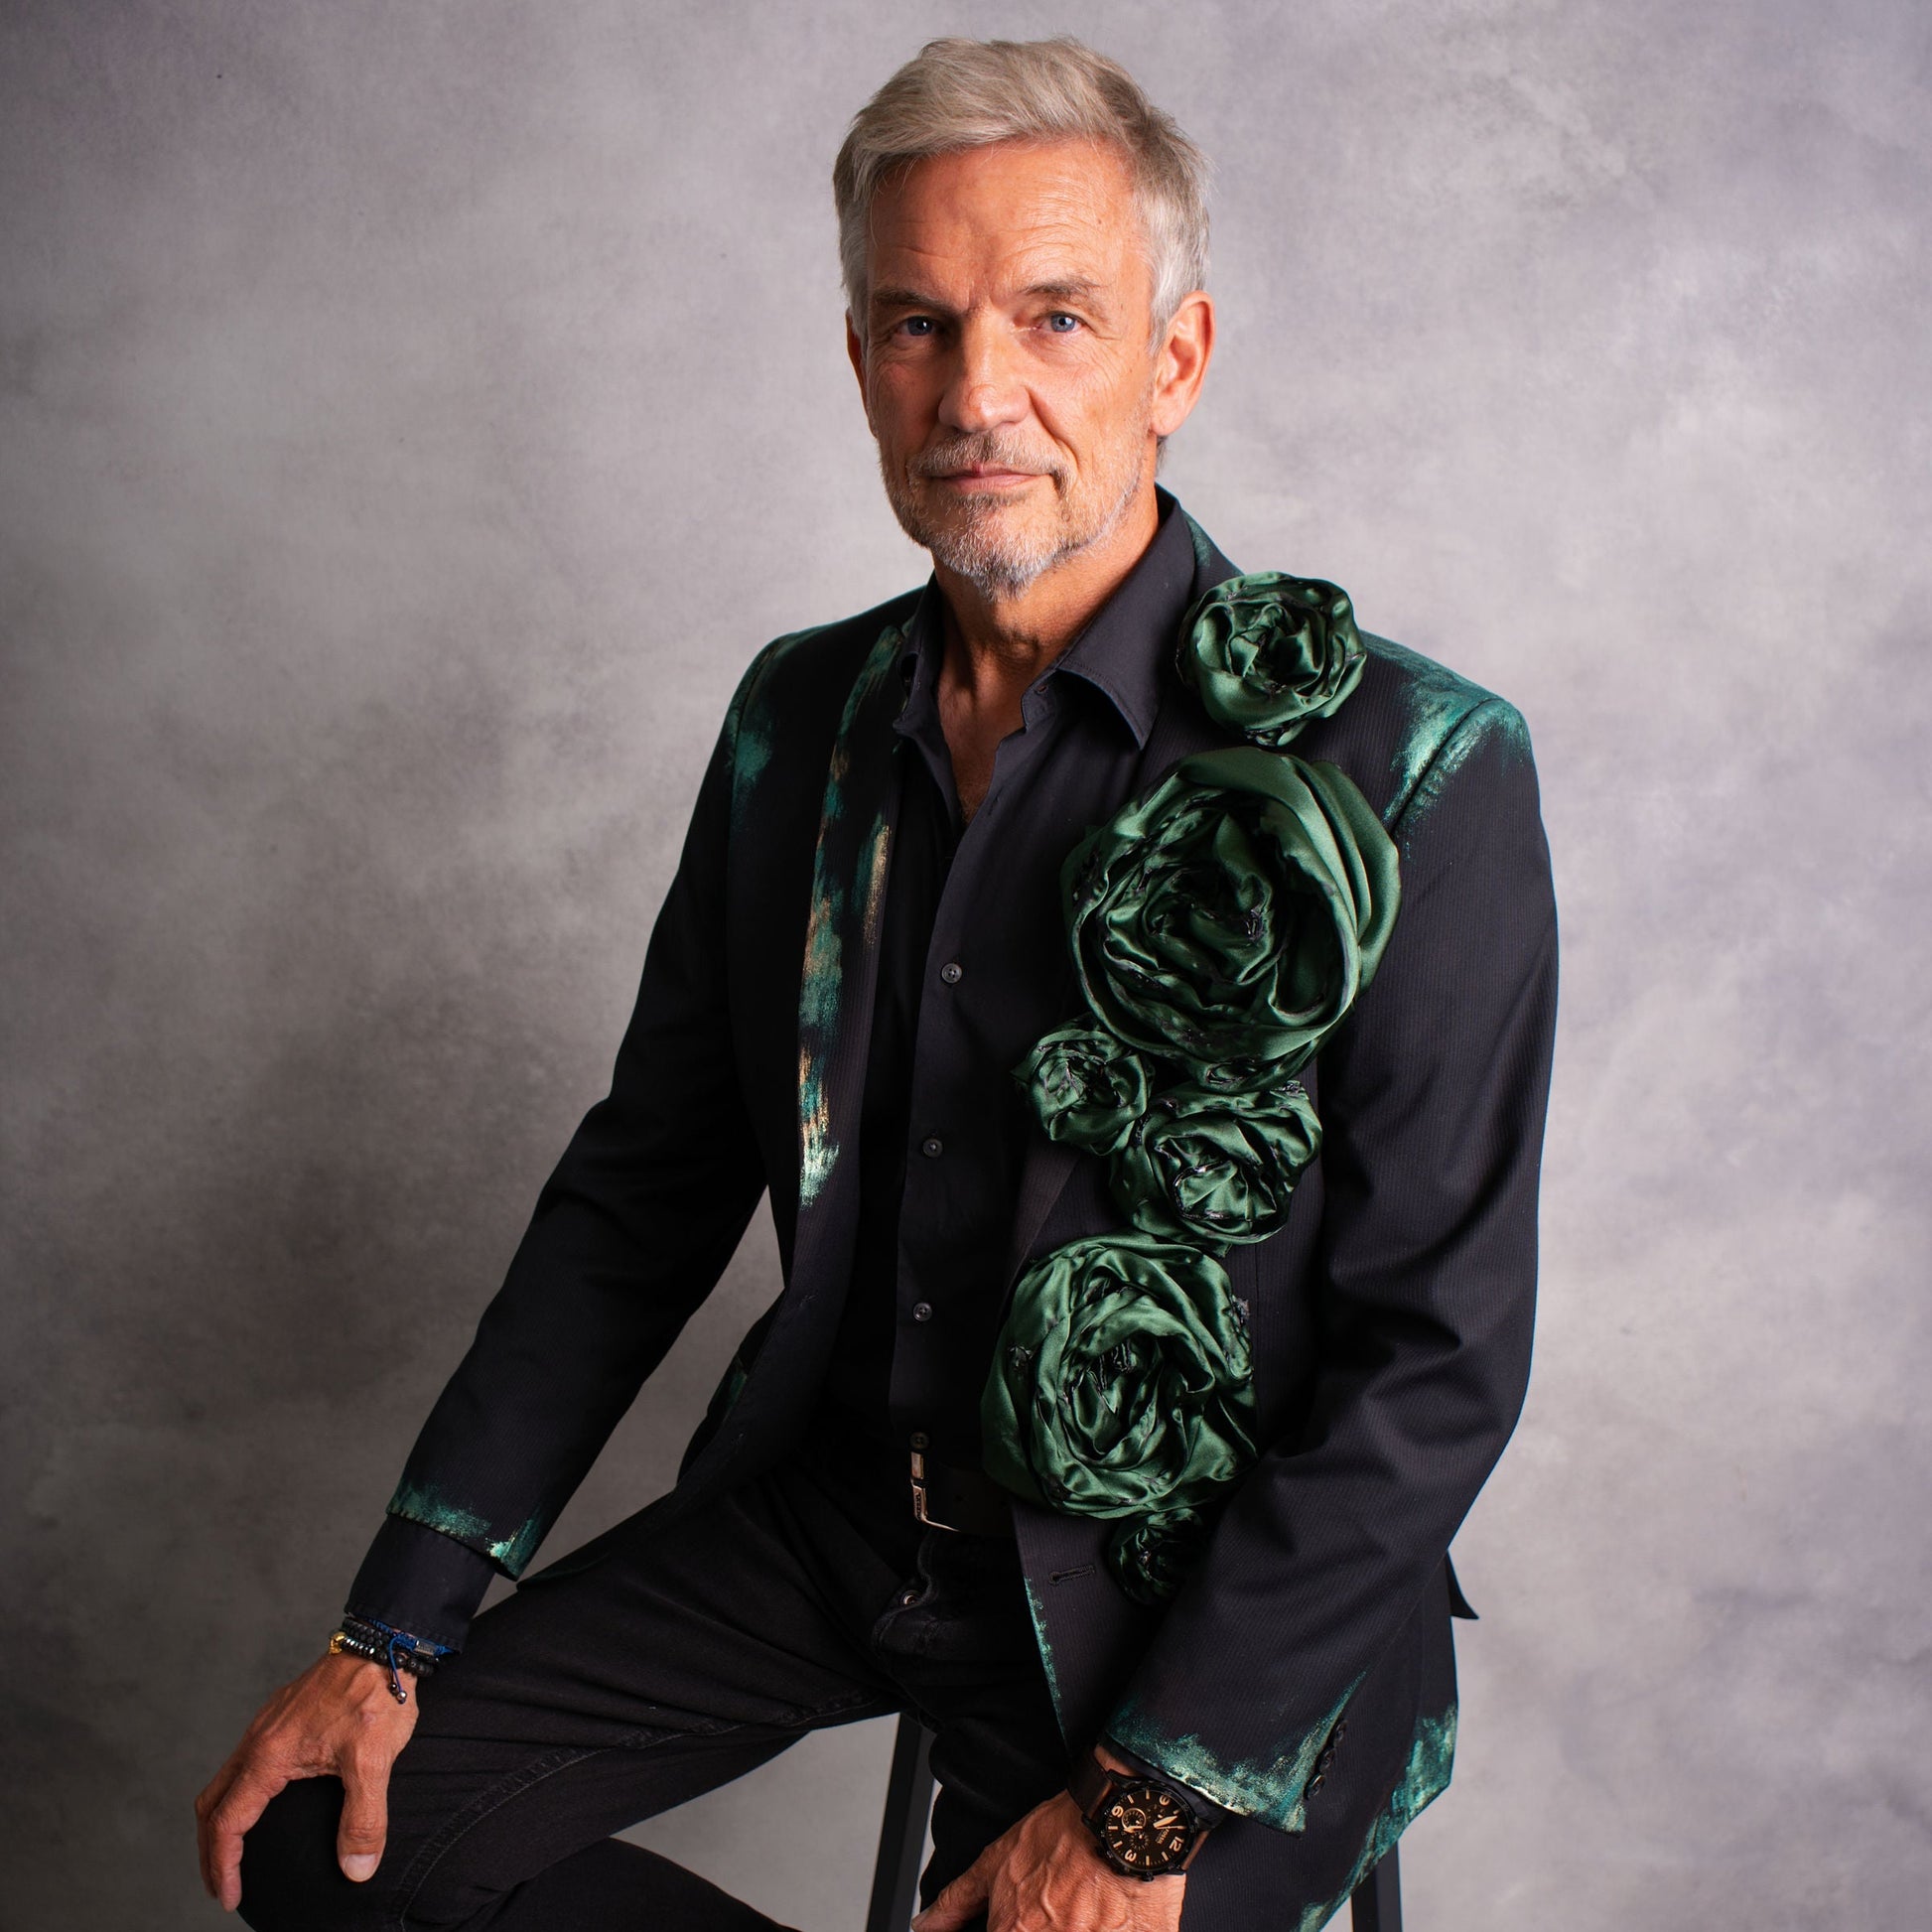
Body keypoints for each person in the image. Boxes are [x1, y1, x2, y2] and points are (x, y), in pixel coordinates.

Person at [196, 35, 1558, 1932]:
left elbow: (1435, 1364)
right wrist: (393, 1625)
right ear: (859, 364)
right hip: (841, 1515)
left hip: (1192, 1612)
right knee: (318, 1842)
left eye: (1055, 318)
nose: (978, 392)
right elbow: (642, 1192)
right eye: (919, 325)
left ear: (1174, 360)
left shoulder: (1411, 768)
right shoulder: (799, 719)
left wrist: (1149, 1805)